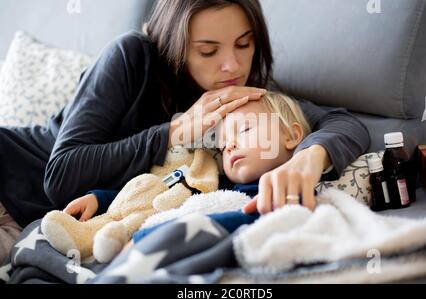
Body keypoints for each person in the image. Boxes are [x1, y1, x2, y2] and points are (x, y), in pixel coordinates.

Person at [0, 0, 369, 263]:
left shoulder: (243, 93)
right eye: (208, 51)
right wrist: (176, 131)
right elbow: (61, 175)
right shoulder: (131, 56)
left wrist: (307, 161)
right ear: (175, 45)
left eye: (244, 44)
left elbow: (342, 122)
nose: (232, 66)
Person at [65, 91, 313, 245]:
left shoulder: (288, 188)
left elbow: (240, 222)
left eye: (245, 129)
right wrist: (100, 199)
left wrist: (152, 238)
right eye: (224, 142)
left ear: (291, 135)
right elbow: (158, 194)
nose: (229, 146)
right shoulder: (215, 184)